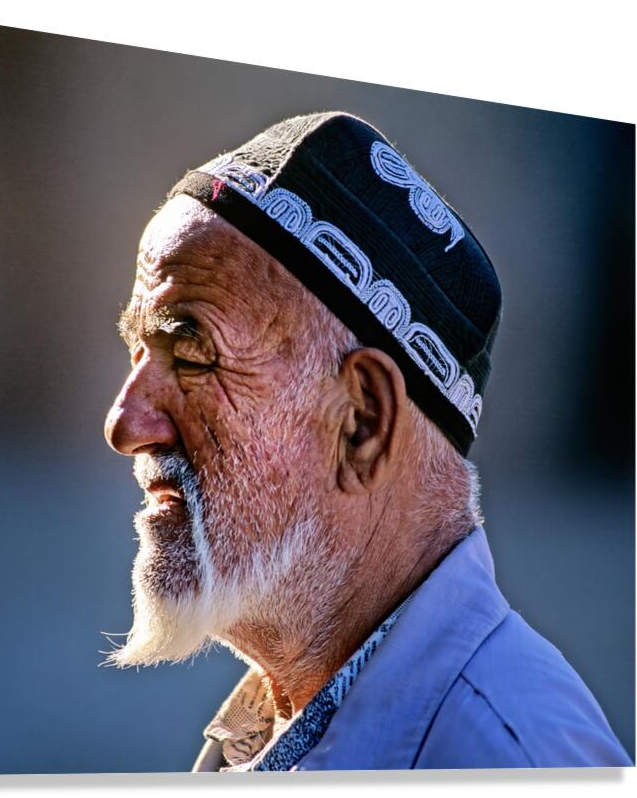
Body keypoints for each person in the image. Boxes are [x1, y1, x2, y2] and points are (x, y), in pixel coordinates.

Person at [102, 112, 631, 770]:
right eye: (135, 352)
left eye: (190, 354)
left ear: (361, 423)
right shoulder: (284, 716)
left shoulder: (505, 757)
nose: (126, 425)